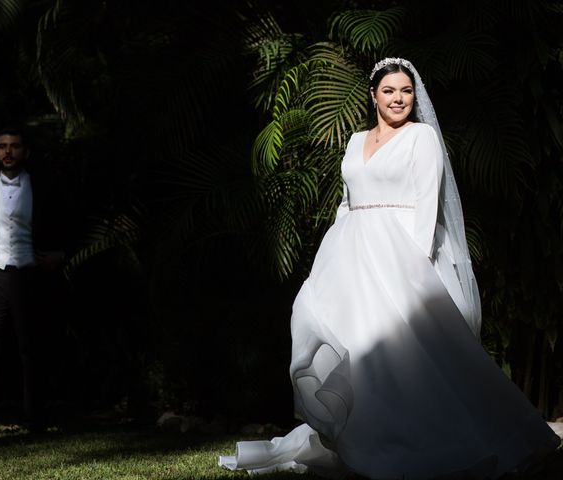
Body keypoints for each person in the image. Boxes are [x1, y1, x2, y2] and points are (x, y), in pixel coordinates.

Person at [219, 58, 560, 479]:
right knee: (353, 348)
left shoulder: (422, 138)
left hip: (400, 259)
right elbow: (347, 201)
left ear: (414, 97)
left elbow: (426, 204)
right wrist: (332, 257)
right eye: (389, 91)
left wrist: (412, 267)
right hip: (350, 256)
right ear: (373, 95)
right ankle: (363, 438)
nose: (398, 98)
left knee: (407, 359)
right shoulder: (354, 140)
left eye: (406, 91)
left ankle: (425, 439)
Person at [0, 127, 64, 434]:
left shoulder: (43, 187)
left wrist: (60, 253)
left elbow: (63, 221)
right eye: (3, 146)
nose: (8, 151)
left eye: (14, 146)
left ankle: (36, 417)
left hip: (30, 273)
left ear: (25, 152)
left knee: (32, 348)